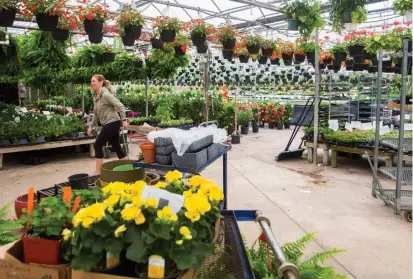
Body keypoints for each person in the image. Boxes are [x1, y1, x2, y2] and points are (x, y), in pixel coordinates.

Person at [87, 74, 127, 175]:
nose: (92, 83)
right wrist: (91, 126)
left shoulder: (106, 95)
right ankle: (128, 167)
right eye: (91, 81)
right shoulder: (96, 97)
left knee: (97, 144)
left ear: (101, 82)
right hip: (109, 124)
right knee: (116, 146)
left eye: (94, 81)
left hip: (113, 123)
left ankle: (98, 171)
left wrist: (124, 119)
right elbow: (96, 114)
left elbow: (120, 106)